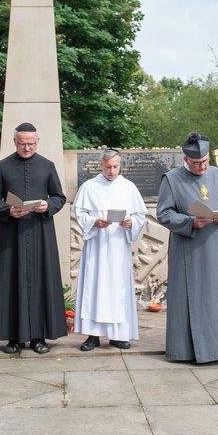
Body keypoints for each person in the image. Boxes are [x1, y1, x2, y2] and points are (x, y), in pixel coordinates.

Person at [157, 132, 218, 364]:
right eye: (197, 163)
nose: (202, 166)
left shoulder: (217, 174)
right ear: (186, 160)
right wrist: (190, 222)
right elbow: (164, 213)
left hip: (217, 246)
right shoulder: (172, 179)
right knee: (194, 299)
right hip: (190, 250)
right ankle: (188, 350)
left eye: (205, 161)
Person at [0, 123, 67, 355]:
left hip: (41, 233)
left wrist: (47, 205)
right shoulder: (2, 167)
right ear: (14, 142)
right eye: (22, 143)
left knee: (41, 281)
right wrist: (9, 210)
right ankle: (13, 338)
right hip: (12, 234)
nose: (27, 148)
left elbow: (59, 197)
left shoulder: (47, 166)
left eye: (31, 143)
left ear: (37, 141)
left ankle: (38, 337)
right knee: (12, 281)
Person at [71, 149, 147, 351]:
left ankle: (118, 335)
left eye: (115, 166)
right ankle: (92, 335)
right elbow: (79, 213)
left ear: (120, 165)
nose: (112, 171)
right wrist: (94, 221)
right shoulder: (89, 187)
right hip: (97, 246)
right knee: (95, 288)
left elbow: (140, 215)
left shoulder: (128, 187)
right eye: (108, 167)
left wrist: (132, 222)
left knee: (118, 289)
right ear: (101, 166)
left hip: (118, 246)